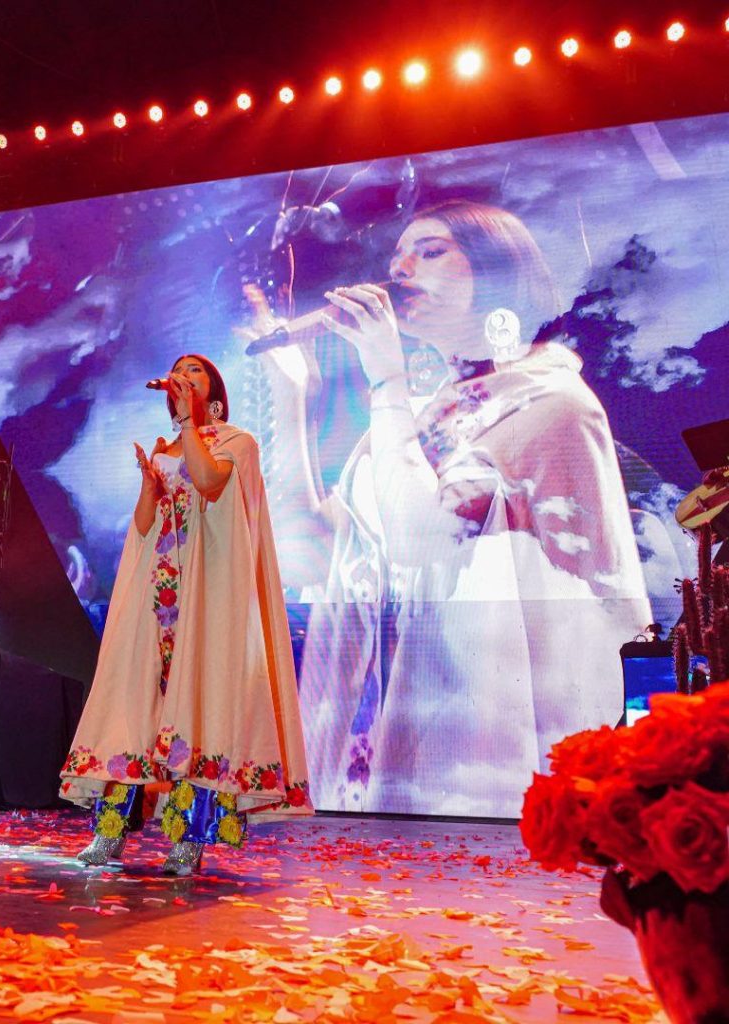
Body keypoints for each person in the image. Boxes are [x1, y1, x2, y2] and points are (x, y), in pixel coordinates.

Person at [249, 199, 652, 816]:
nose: (401, 270)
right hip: (382, 737)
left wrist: (386, 381)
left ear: (498, 269)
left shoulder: (550, 401)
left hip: (473, 755)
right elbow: (311, 554)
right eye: (397, 257)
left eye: (431, 251)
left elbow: (424, 545)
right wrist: (291, 394)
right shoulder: (425, 413)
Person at [60, 354, 312, 874]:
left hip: (204, 600)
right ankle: (109, 836)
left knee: (198, 711)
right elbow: (146, 523)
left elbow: (208, 483)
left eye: (195, 371)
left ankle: (187, 839)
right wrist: (149, 486)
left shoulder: (235, 441)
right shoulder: (164, 447)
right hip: (157, 598)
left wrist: (189, 424)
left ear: (212, 388)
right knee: (133, 712)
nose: (184, 376)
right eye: (179, 370)